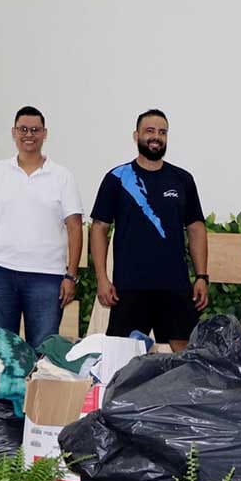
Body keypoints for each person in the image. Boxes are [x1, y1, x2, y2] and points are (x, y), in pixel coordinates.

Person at [0, 106, 84, 350]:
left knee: (42, 351)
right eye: (23, 129)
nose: (29, 135)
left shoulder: (62, 177)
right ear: (14, 132)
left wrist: (70, 275)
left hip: (47, 278)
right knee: (0, 349)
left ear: (44, 133)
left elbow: (74, 228)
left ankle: (38, 390)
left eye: (35, 130)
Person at [90, 109, 209, 351]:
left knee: (186, 356)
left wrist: (201, 277)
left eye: (162, 132)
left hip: (174, 285)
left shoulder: (182, 179)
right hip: (129, 286)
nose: (156, 137)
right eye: (150, 131)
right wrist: (102, 278)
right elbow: (99, 228)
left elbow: (196, 228)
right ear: (136, 136)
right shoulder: (116, 178)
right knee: (121, 357)